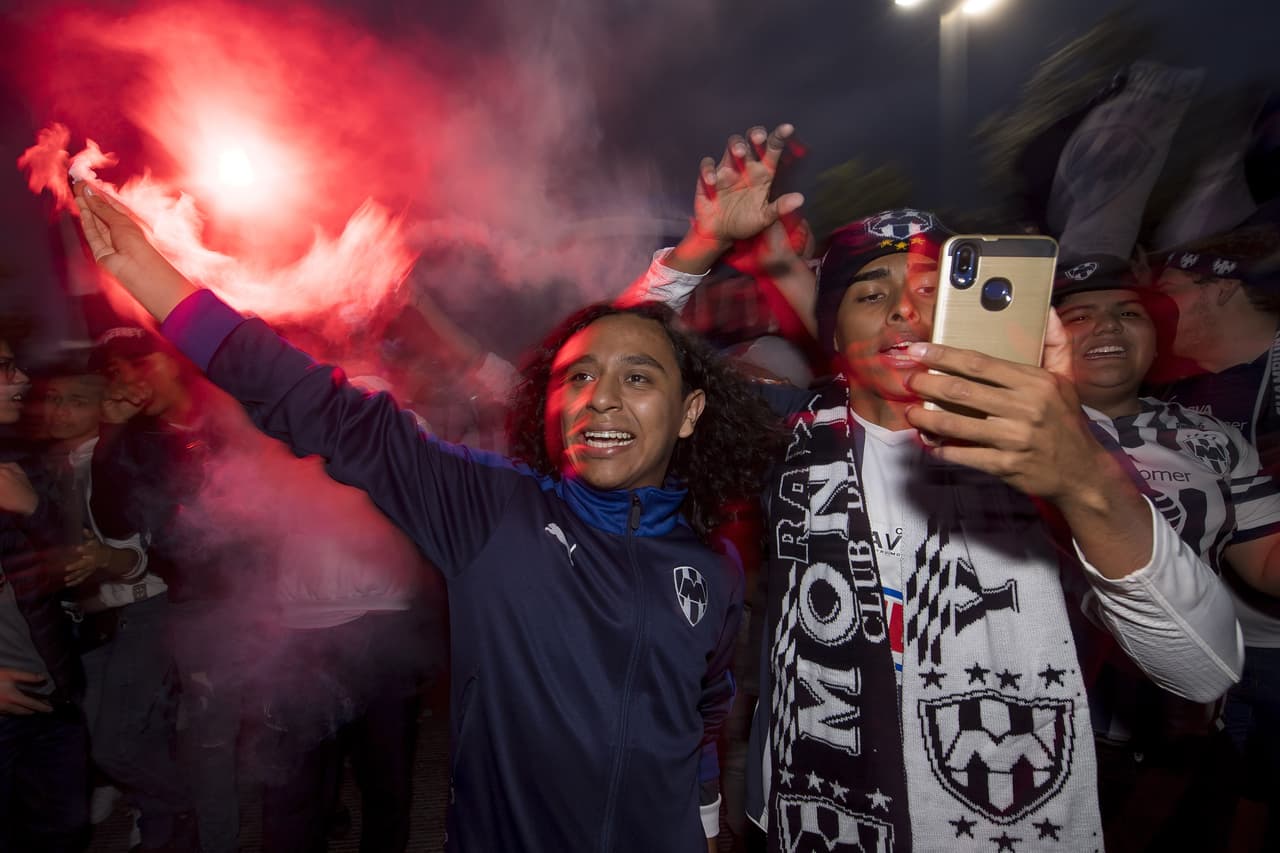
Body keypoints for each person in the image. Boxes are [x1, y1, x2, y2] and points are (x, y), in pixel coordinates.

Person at [72, 178, 784, 852]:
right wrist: (157, 283)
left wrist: (706, 819)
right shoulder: (491, 512)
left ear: (690, 412)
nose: (601, 397)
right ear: (552, 407)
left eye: (637, 378)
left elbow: (705, 710)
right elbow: (320, 409)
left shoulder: (710, 565)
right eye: (580, 377)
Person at [630, 124, 1242, 852]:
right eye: (870, 291)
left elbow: (1201, 668)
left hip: (997, 825)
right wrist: (698, 250)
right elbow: (615, 361)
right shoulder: (784, 430)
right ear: (833, 333)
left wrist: (1083, 481)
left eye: (930, 290)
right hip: (811, 814)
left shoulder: (1051, 441)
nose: (903, 309)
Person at [1051, 256, 1280, 851]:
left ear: (1156, 339)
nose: (1108, 327)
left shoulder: (1212, 439)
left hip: (1187, 722)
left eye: (1128, 313)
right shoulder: (1003, 432)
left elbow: (1267, 564)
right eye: (1078, 316)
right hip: (1053, 726)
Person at [1145, 215, 1280, 851]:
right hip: (1215, 652)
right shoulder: (1166, 390)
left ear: (1219, 289)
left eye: (1165, 286)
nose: (1149, 304)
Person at [37, 360, 194, 852]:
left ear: (103, 407)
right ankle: (166, 821)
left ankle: (180, 809)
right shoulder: (43, 467)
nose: (59, 410)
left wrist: (105, 557)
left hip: (142, 612)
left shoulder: (124, 458)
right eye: (53, 399)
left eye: (76, 400)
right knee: (97, 742)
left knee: (116, 743)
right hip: (89, 623)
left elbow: (143, 550)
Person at [0, 329, 89, 853]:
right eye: (5, 367)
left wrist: (33, 509)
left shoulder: (17, 468)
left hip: (50, 693)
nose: (23, 380)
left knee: (62, 833)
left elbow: (67, 567)